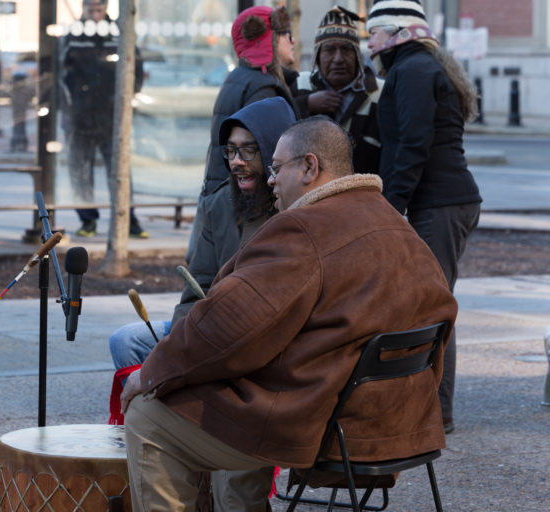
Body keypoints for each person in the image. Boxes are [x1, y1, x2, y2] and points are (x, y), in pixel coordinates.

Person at [120, 116, 458, 511]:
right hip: (396, 424)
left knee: (147, 415)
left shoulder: (303, 228)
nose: (270, 179)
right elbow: (443, 312)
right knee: (238, 390)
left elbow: (225, 328)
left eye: (278, 168)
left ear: (310, 167)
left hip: (323, 425)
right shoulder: (396, 225)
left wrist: (153, 371)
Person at [109, 96, 296, 511]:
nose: (237, 162)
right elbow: (194, 293)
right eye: (230, 150)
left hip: (266, 370)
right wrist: (177, 347)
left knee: (235, 469)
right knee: (134, 357)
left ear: (275, 154)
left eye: (249, 150)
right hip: (213, 346)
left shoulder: (294, 217)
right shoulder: (217, 207)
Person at [366, 0, 482, 435]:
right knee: (430, 305)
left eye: (374, 34)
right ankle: (432, 407)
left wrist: (391, 206)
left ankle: (438, 411)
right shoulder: (418, 66)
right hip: (444, 202)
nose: (369, 43)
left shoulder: (412, 71)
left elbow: (411, 145)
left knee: (434, 309)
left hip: (440, 204)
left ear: (396, 32)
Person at [192, 5, 305, 259]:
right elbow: (264, 144)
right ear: (269, 39)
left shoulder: (240, 78)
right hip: (244, 208)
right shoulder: (263, 87)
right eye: (286, 34)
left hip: (223, 199)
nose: (292, 40)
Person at [60, 0, 148, 238]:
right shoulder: (73, 35)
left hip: (112, 115)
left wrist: (128, 97)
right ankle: (88, 220)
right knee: (80, 170)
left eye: (99, 9)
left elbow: (135, 67)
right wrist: (70, 107)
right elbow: (60, 73)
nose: (95, 15)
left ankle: (128, 218)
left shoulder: (119, 33)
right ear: (84, 8)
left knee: (119, 169)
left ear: (106, 8)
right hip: (81, 116)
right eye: (91, 9)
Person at [296, 6, 384, 174]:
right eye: (329, 49)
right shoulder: (301, 85)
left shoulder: (378, 93)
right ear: (317, 56)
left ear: (358, 56)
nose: (338, 59)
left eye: (346, 49)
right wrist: (306, 104)